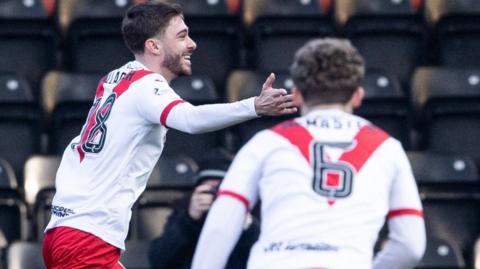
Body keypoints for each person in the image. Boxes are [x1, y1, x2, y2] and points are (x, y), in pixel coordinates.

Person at [42, 2, 296, 268]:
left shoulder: (114, 78)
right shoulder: (146, 86)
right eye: (182, 36)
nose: (192, 44)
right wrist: (253, 106)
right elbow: (191, 119)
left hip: (67, 231)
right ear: (154, 46)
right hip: (86, 239)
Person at [192, 38, 426, 269]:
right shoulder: (388, 148)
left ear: (297, 94)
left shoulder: (265, 143)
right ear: (358, 95)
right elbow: (410, 246)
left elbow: (219, 228)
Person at [148, 148, 260, 269]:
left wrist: (247, 225)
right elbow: (159, 261)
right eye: (208, 189)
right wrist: (189, 220)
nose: (214, 194)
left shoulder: (247, 210)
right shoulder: (183, 213)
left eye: (219, 187)